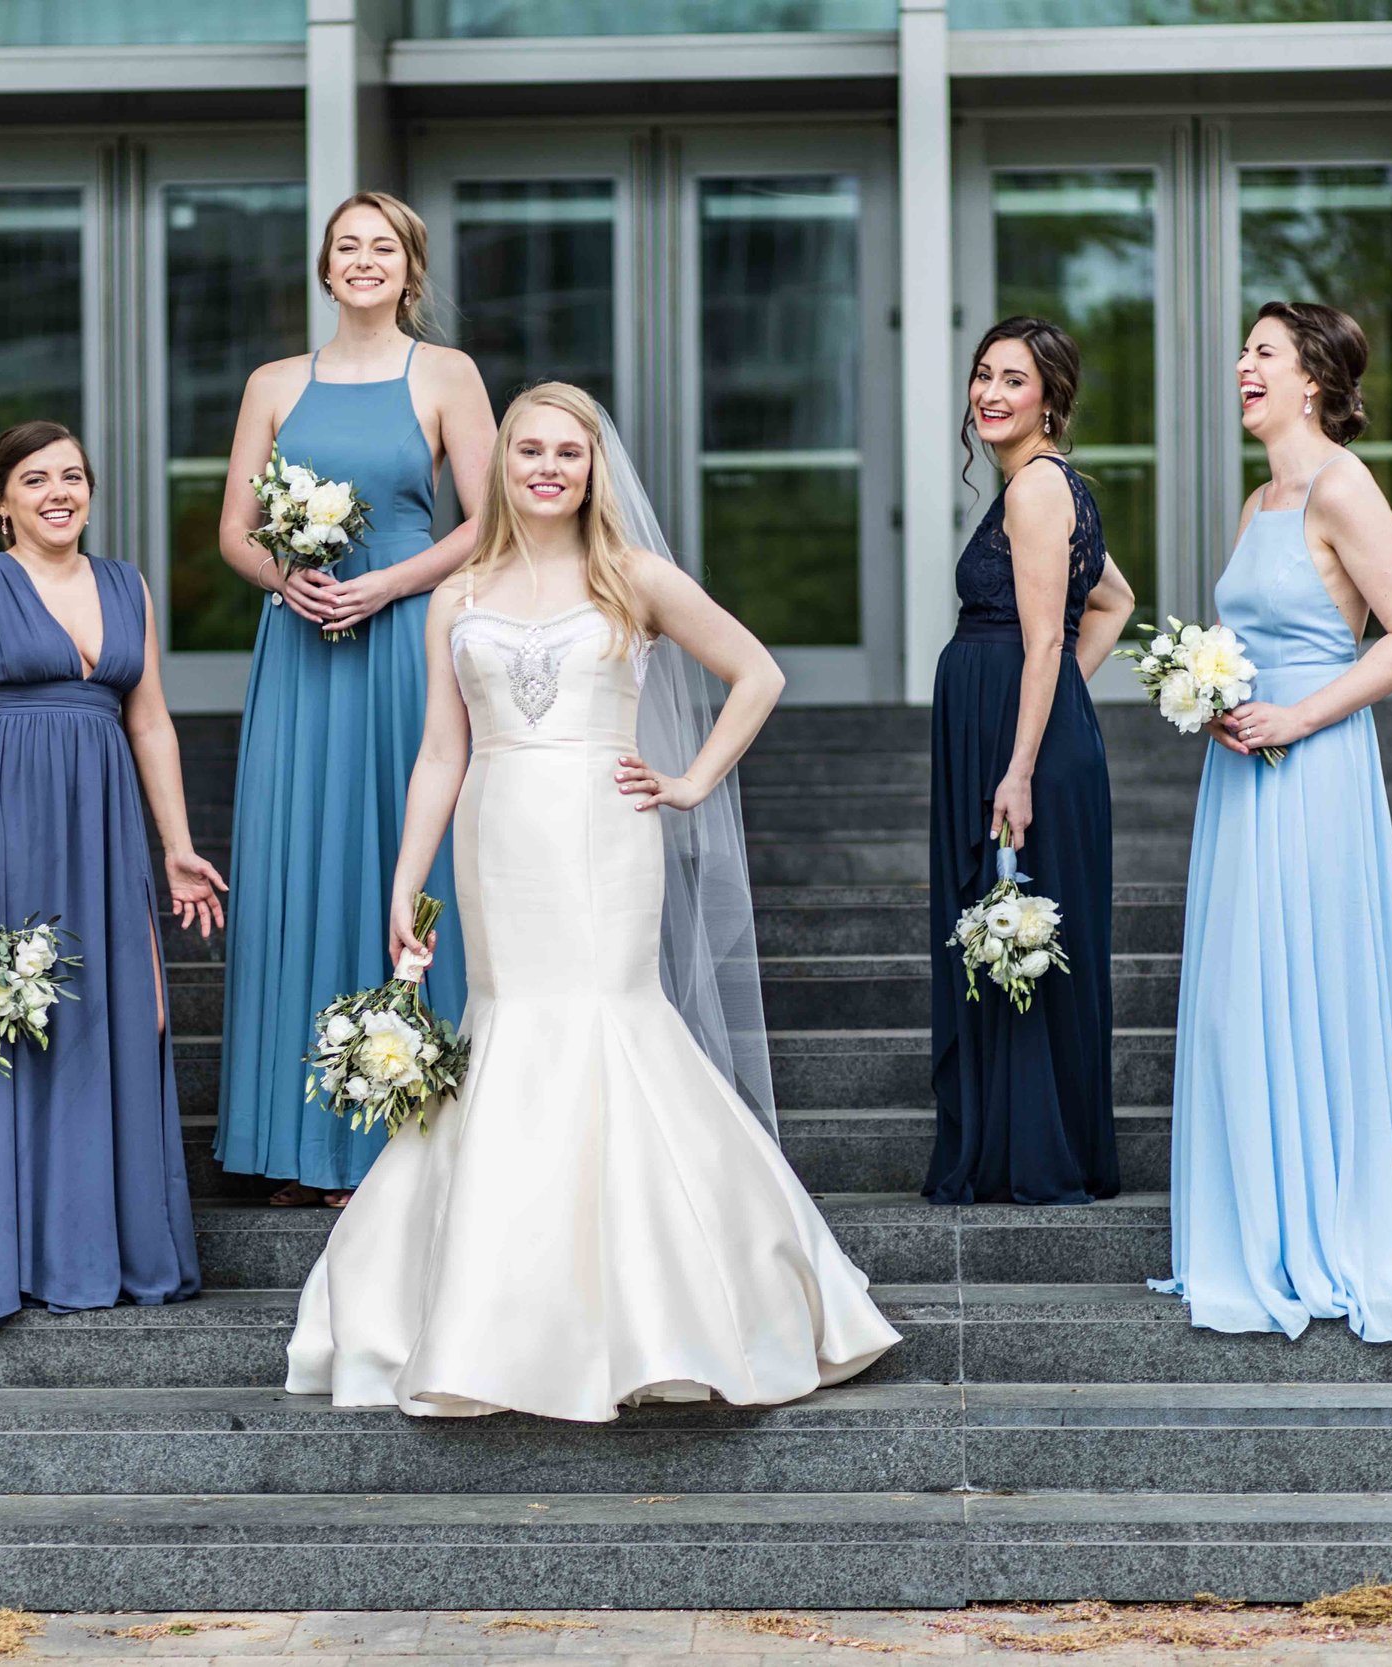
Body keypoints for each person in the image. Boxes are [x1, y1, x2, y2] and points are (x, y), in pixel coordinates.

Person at [284, 382, 901, 1421]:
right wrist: (406, 882)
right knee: (508, 1029)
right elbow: (442, 750)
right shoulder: (457, 594)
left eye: (568, 452)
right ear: (500, 463)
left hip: (607, 831)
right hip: (496, 828)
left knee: (614, 1022)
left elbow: (756, 673)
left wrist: (690, 778)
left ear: (591, 468)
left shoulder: (636, 578)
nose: (547, 467)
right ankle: (489, 1315)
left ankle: (665, 1310)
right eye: (529, 449)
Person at [1153, 301, 1392, 1343]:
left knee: (1311, 983)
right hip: (1245, 775)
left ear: (1310, 379)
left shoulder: (1343, 484)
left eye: (1262, 352)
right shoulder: (1260, 500)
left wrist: (1297, 711)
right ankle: (1255, 1221)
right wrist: (1212, 696)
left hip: (1317, 766)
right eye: (1242, 352)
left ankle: (1331, 1226)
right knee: (1238, 997)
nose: (1241, 367)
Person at [210, 191, 497, 1208]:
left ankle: (406, 1126)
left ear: (408, 268)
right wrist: (282, 578)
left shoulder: (447, 374)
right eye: (347, 248)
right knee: (304, 862)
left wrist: (390, 581)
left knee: (396, 858)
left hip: (405, 643)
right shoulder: (275, 382)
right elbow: (235, 532)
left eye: (384, 247)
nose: (364, 262)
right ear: (324, 269)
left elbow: (488, 518)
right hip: (301, 645)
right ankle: (300, 1141)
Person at [0, 422, 226, 1342]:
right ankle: (18, 1257)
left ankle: (115, 1248)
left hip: (106, 829)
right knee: (20, 1021)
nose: (59, 491)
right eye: (35, 478)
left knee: (111, 1018)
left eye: (73, 476)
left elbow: (152, 726)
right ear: (1, 501)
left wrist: (174, 841)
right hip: (11, 823)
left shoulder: (126, 583)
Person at [924, 318, 1135, 1208]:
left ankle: (1033, 1157)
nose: (991, 394)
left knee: (1019, 937)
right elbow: (1115, 600)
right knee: (1016, 937)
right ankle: (1029, 1146)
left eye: (1014, 380)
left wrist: (1020, 758)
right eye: (982, 376)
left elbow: (1050, 634)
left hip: (1017, 751)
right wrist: (1055, 710)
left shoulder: (1037, 488)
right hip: (1023, 731)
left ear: (1050, 399)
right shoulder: (1042, 485)